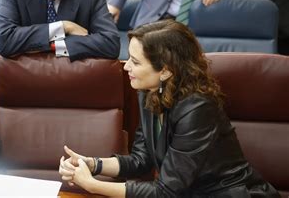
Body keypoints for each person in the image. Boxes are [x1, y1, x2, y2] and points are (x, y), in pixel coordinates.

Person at [58, 20, 279, 197]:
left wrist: (93, 185)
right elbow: (141, 161)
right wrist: (92, 164)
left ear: (165, 71)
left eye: (135, 62)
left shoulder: (197, 108)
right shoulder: (149, 91)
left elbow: (166, 191)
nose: (126, 66)